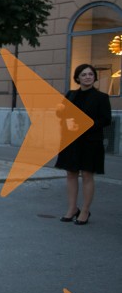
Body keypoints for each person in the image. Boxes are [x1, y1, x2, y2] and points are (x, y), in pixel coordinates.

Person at [55, 63, 112, 225]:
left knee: (87, 175)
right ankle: (72, 208)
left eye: (90, 74)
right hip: (71, 141)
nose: (88, 77)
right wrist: (60, 113)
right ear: (78, 78)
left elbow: (106, 120)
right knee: (71, 174)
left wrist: (85, 124)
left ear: (94, 77)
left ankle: (85, 210)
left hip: (90, 142)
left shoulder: (101, 97)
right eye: (84, 74)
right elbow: (63, 116)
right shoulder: (71, 95)